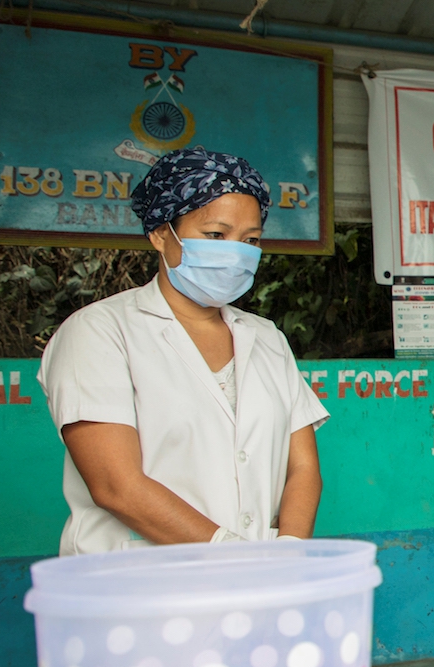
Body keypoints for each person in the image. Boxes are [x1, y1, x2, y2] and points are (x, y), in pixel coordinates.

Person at [39, 146, 329, 554]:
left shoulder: (266, 339)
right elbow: (116, 486)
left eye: (251, 240)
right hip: (140, 592)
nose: (236, 252)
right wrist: (233, 554)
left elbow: (302, 469)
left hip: (259, 583)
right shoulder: (99, 332)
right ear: (161, 233)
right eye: (216, 235)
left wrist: (288, 555)